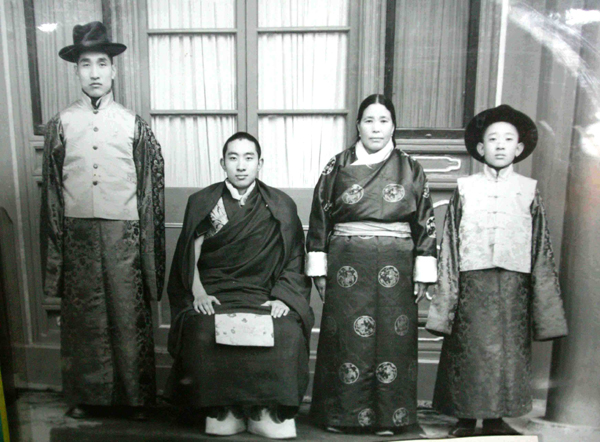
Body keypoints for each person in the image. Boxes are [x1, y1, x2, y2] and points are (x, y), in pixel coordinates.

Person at [39, 21, 165, 420]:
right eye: (86, 64)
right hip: (77, 234)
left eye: (102, 64)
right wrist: (57, 254)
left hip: (123, 234)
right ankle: (85, 396)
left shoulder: (133, 126)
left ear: (114, 70)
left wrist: (147, 256)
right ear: (76, 71)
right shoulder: (61, 124)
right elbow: (53, 195)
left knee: (128, 314)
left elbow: (149, 194)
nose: (94, 73)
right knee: (84, 318)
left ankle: (135, 398)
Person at [426, 105, 568, 437]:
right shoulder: (465, 188)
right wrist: (449, 291)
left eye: (508, 139)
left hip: (514, 284)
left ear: (519, 148)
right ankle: (464, 418)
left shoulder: (528, 190)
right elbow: (449, 242)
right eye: (493, 139)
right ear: (480, 148)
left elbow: (540, 246)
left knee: (508, 352)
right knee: (469, 349)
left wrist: (539, 296)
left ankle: (496, 419)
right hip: (472, 282)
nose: (500, 145)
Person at [165, 132, 313, 439]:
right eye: (233, 158)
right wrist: (198, 293)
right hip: (216, 294)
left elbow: (295, 257)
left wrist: (284, 297)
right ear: (222, 162)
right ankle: (222, 410)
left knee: (286, 330)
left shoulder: (281, 205)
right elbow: (187, 256)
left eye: (249, 158)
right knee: (202, 328)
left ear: (260, 163)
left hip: (263, 295)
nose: (241, 166)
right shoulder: (203, 202)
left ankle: (268, 412)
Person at [305, 94, 438, 435]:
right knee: (344, 337)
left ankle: (389, 417)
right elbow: (320, 214)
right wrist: (319, 266)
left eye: (383, 120)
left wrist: (424, 268)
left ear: (393, 125)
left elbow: (425, 221)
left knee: (392, 339)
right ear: (358, 125)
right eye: (369, 120)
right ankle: (339, 414)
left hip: (398, 262)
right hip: (347, 261)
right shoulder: (337, 165)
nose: (376, 128)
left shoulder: (410, 167)